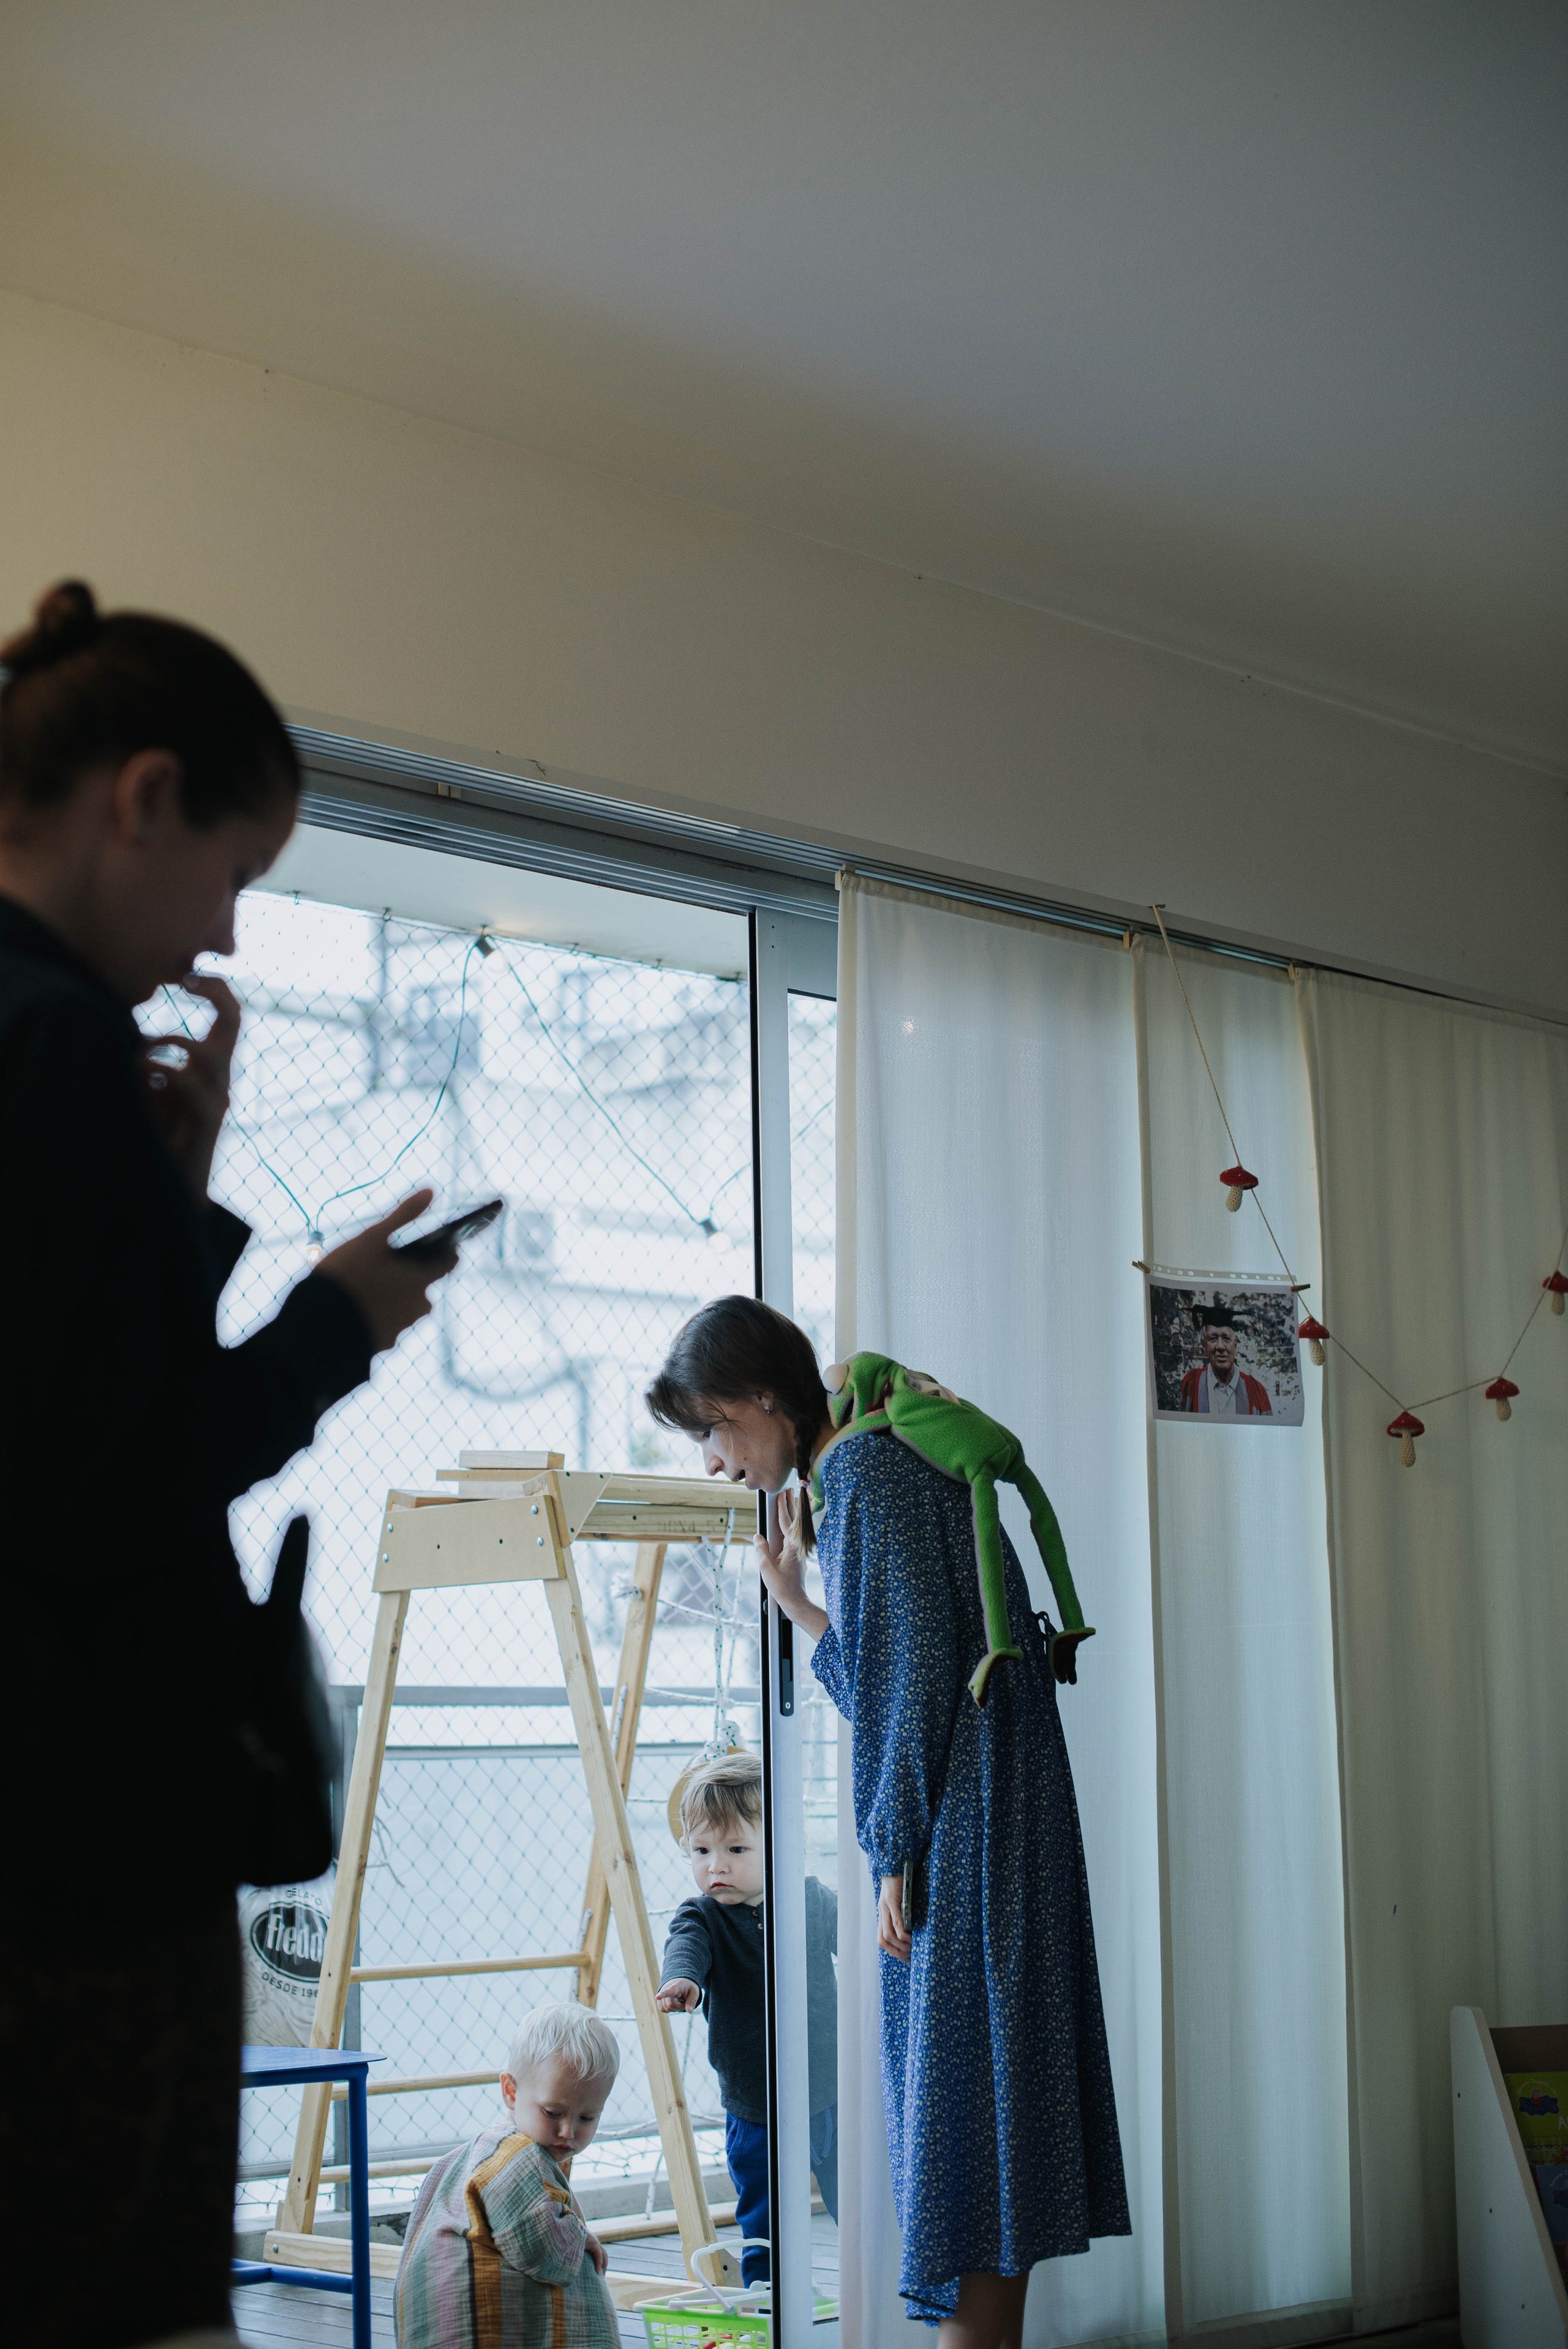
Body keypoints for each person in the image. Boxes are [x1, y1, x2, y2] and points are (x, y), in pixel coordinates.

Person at [0, 581, 459, 2349]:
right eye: (236, 873)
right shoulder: (43, 1036)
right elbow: (112, 1475)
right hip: (77, 1843)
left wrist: (170, 1194)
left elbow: (56, 1387)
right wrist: (336, 1322)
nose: (226, 931)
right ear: (141, 795)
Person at [647, 1297, 1130, 2349]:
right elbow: (907, 1669)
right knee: (988, 2121)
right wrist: (800, 1600)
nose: (718, 1464)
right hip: (998, 1809)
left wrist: (893, 1851)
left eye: (713, 1432)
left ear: (762, 1400)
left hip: (966, 1828)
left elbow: (911, 1692)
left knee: (964, 2134)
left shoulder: (863, 1478)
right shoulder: (874, 1467)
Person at [655, 1751, 839, 2284]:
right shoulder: (704, 1915)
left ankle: (870, 2290)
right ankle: (767, 2295)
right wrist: (682, 1980)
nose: (716, 1865)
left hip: (827, 2091)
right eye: (702, 1850)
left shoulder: (808, 1900)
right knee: (763, 2210)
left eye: (736, 1848)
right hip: (756, 2102)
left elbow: (853, 1934)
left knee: (853, 2195)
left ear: (780, 1844)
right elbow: (685, 1946)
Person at [395, 2002, 619, 2349]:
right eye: (553, 2112)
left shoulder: (486, 2152)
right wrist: (577, 2238)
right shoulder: (515, 2155)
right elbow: (545, 2253)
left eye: (588, 2118)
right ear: (511, 2092)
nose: (567, 2131)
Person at [1179, 1302, 1273, 1415]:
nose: (1220, 1347)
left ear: (1235, 1345)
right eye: (1213, 1339)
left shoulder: (1257, 1392)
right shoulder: (1192, 1384)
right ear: (1204, 1346)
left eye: (1226, 1338)